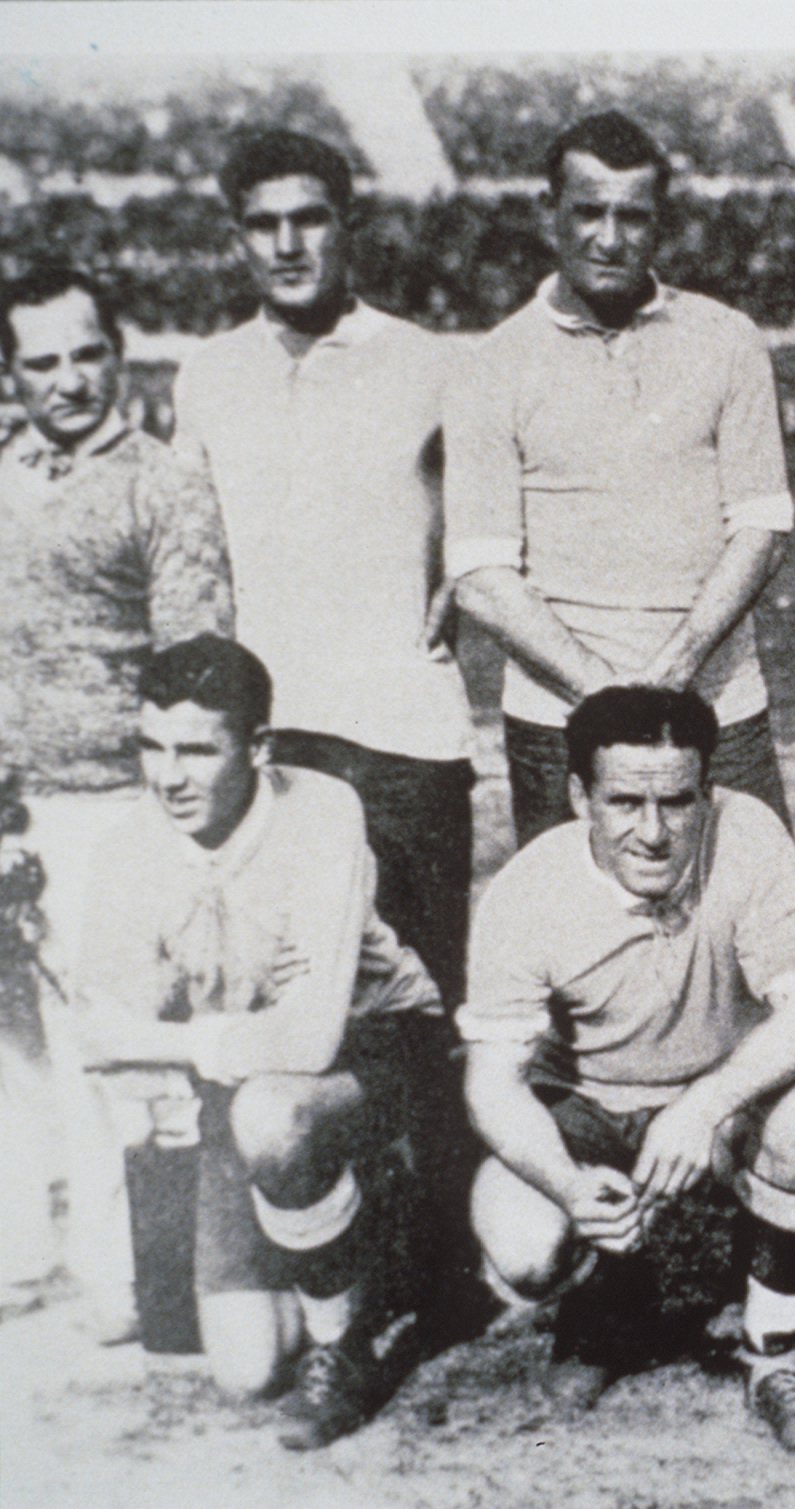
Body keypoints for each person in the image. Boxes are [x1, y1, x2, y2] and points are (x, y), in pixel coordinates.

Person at [68, 636, 441, 1450]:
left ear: (259, 747)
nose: (169, 776)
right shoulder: (126, 848)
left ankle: (343, 1345)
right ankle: (350, 1232)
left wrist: (168, 1037)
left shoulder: (323, 810)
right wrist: (191, 1042)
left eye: (198, 750)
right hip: (235, 1084)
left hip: (373, 1054)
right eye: (153, 747)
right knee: (246, 1367)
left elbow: (309, 1040)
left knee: (277, 1115)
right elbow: (98, 1039)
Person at [460, 686, 795, 1454]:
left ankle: (776, 1352)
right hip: (589, 1105)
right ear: (579, 796)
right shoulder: (528, 890)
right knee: (524, 1246)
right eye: (624, 801)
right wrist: (569, 1185)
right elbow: (491, 1081)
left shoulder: (749, 832)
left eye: (676, 800)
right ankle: (603, 1312)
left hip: (720, 1090)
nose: (652, 830)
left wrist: (706, 1102)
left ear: (707, 790)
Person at [173, 127, 476, 1007]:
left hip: (405, 735)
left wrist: (463, 573)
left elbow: (506, 507)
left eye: (310, 218)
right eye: (263, 224)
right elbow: (189, 548)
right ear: (238, 237)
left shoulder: (429, 362)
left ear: (349, 225)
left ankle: (437, 1150)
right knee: (280, 997)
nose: (287, 243)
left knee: (423, 1001)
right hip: (271, 733)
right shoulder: (209, 373)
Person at [446, 111, 795, 847]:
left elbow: (761, 528)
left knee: (746, 930)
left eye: (632, 216)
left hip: (719, 707)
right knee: (586, 945)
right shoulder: (491, 363)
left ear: (660, 223)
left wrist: (674, 669)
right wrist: (607, 697)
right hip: (562, 724)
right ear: (550, 212)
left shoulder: (726, 338)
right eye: (588, 211)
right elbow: (480, 573)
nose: (609, 238)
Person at [0, 264, 235, 1336]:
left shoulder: (160, 483)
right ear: (12, 371)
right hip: (10, 801)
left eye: (85, 353)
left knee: (109, 1040)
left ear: (118, 353)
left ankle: (125, 1275)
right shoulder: (2, 475)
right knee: (13, 1043)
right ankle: (21, 1244)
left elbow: (194, 667)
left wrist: (166, 820)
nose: (67, 380)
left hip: (108, 803)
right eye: (40, 360)